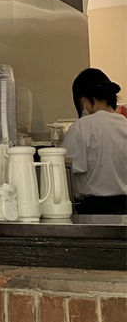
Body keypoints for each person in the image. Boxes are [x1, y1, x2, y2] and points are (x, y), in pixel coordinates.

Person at [62, 68, 127, 215]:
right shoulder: (125, 124)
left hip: (94, 211)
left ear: (83, 101)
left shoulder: (82, 126)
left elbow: (65, 173)